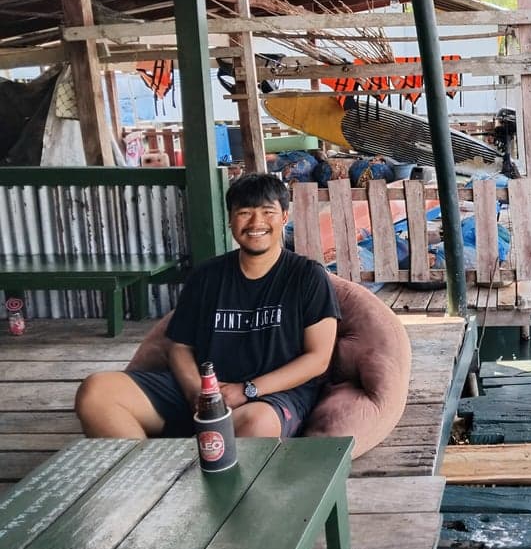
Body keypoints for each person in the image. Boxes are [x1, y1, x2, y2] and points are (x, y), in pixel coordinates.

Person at [75, 173, 340, 439]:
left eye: (267, 212)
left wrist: (247, 389)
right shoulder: (207, 276)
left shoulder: (307, 276)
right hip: (202, 393)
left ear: (284, 217)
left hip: (270, 396)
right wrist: (197, 393)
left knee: (256, 423)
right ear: (230, 219)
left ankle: (201, 461)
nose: (256, 222)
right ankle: (150, 475)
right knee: (96, 391)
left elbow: (318, 358)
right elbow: (179, 347)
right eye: (244, 212)